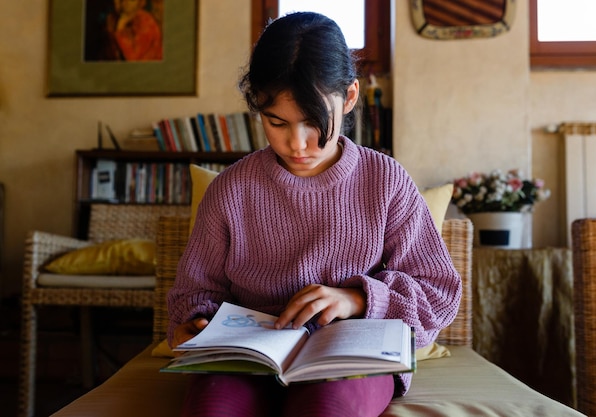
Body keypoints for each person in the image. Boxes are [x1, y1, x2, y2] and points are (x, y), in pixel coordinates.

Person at [167, 11, 462, 417]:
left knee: (326, 410)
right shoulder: (230, 190)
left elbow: (438, 293)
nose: (297, 143)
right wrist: (195, 322)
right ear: (257, 106)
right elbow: (193, 293)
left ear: (350, 97)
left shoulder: (385, 180)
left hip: (353, 354)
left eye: (313, 121)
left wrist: (357, 298)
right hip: (252, 359)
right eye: (277, 122)